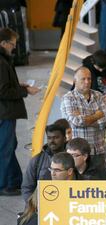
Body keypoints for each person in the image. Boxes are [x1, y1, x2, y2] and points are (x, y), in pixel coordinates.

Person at [0, 28, 40, 196]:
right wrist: (25, 91)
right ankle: (4, 185)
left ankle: (14, 181)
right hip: (4, 113)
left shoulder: (4, 60)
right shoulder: (1, 62)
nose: (14, 48)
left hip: (6, 113)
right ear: (3, 43)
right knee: (5, 149)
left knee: (10, 146)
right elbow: (2, 91)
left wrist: (19, 86)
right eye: (12, 44)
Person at [60, 66, 106, 164]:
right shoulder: (68, 98)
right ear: (75, 81)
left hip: (98, 150)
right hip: (77, 153)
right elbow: (76, 121)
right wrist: (97, 115)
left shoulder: (98, 96)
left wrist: (84, 118)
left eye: (89, 79)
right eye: (83, 79)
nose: (87, 82)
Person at [21, 124, 66, 202]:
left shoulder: (73, 158)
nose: (52, 141)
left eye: (56, 137)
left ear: (64, 139)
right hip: (40, 205)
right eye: (49, 138)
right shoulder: (37, 160)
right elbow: (27, 187)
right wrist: (33, 205)